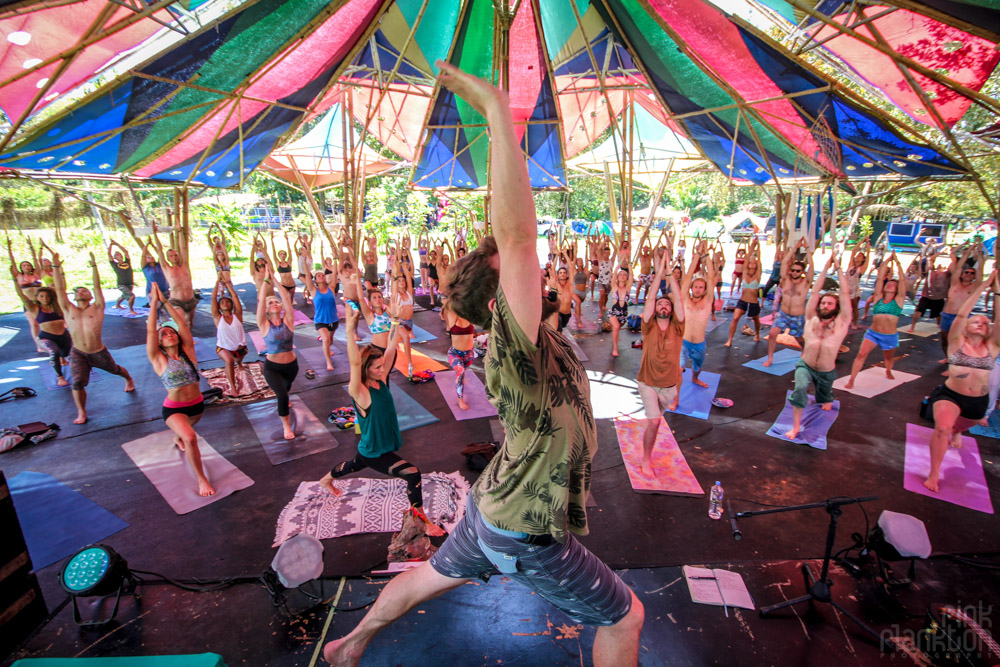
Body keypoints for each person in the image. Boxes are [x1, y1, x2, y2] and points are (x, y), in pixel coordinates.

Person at [323, 62, 643, 667]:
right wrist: (499, 112)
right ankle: (355, 640)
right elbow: (519, 237)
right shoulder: (513, 348)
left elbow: (537, 265)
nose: (537, 273)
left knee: (423, 578)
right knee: (626, 616)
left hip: (491, 504)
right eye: (521, 277)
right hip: (524, 529)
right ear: (500, 303)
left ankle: (350, 643)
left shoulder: (537, 331)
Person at [319, 305, 444, 535]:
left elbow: (391, 346)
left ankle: (326, 479)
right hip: (375, 451)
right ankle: (422, 522)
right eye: (376, 367)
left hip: (373, 445)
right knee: (413, 473)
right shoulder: (360, 392)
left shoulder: (382, 378)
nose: (382, 369)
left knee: (353, 464)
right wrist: (348, 329)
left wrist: (395, 321)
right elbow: (355, 363)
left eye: (381, 366)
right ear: (366, 369)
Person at [925, 273, 1000, 492]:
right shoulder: (957, 342)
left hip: (976, 403)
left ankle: (958, 431)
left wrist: (996, 291)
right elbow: (961, 315)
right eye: (974, 321)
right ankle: (934, 473)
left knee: (960, 426)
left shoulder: (993, 348)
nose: (979, 322)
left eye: (984, 322)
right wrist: (983, 285)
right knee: (943, 428)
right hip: (950, 395)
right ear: (966, 327)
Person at [49, 250, 135, 424]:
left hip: (98, 351)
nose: (81, 292)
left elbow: (97, 287)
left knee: (115, 370)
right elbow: (59, 289)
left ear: (90, 295)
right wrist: (56, 266)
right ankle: (81, 412)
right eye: (78, 291)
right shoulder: (68, 309)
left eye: (84, 290)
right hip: (78, 352)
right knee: (77, 382)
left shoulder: (97, 307)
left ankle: (128, 378)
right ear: (74, 296)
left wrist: (94, 266)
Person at [146, 283, 214, 497]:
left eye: (171, 332)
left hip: (197, 406)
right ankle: (202, 479)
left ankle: (178, 437)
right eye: (164, 334)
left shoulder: (189, 352)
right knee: (191, 438)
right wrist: (155, 303)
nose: (169, 334)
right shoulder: (158, 359)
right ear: (159, 342)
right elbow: (150, 330)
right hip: (174, 409)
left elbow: (181, 324)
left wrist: (166, 301)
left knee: (185, 434)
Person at [784, 257, 851, 440]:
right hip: (805, 365)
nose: (825, 305)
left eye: (829, 303)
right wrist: (825, 268)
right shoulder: (811, 319)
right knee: (800, 389)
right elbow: (814, 293)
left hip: (826, 371)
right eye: (823, 303)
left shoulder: (842, 323)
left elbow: (845, 294)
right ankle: (795, 427)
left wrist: (838, 268)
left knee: (824, 397)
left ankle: (827, 397)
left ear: (836, 308)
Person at [638, 248, 685, 467]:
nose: (663, 305)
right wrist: (661, 273)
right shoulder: (648, 327)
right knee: (655, 421)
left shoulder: (678, 327)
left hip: (669, 387)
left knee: (655, 423)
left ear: (671, 310)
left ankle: (647, 442)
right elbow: (650, 297)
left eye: (666, 304)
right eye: (659, 304)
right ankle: (646, 459)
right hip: (647, 382)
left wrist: (671, 274)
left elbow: (679, 298)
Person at [845, 252, 905, 389]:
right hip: (872, 333)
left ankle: (888, 370)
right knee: (861, 354)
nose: (889, 285)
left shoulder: (899, 300)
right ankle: (851, 380)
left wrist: (898, 263)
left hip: (889, 336)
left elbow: (902, 281)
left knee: (888, 358)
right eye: (888, 283)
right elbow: (879, 278)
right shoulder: (878, 298)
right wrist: (887, 260)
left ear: (896, 289)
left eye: (892, 284)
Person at [10, 256, 70, 383]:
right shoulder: (35, 309)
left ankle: (63, 358)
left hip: (63, 335)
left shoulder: (58, 305)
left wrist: (58, 269)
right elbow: (21, 294)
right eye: (41, 296)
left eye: (47, 296)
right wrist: (14, 279)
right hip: (46, 336)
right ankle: (60, 377)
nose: (44, 298)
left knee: (65, 352)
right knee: (54, 352)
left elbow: (61, 288)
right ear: (37, 298)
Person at [256, 265, 299, 440]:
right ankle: (286, 427)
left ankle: (285, 397)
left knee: (286, 389)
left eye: (276, 301)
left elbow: (286, 299)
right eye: (270, 302)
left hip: (291, 367)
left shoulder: (288, 320)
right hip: (272, 367)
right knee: (281, 395)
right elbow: (260, 301)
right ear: (266, 309)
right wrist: (266, 281)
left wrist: (274, 279)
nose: (274, 303)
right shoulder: (264, 324)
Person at [763, 238, 813, 367]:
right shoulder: (785, 280)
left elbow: (812, 267)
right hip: (783, 314)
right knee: (773, 333)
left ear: (802, 272)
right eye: (793, 270)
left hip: (797, 316)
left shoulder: (806, 283)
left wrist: (807, 249)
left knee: (799, 338)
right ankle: (770, 358)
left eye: (798, 270)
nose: (795, 272)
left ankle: (804, 350)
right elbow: (784, 262)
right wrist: (794, 247)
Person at [679, 242, 716, 389]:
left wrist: (705, 255)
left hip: (700, 343)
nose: (698, 289)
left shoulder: (707, 302)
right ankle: (674, 399)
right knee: (679, 368)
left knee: (697, 367)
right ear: (692, 288)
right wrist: (696, 256)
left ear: (705, 289)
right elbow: (688, 277)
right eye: (696, 286)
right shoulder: (686, 299)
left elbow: (711, 278)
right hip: (684, 341)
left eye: (701, 287)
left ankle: (695, 378)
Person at [938, 245, 983, 360]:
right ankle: (948, 358)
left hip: (960, 317)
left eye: (971, 273)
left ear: (974, 276)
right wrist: (966, 254)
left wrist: (981, 256)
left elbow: (980, 274)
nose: (968, 274)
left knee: (957, 340)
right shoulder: (954, 283)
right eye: (966, 272)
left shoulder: (974, 287)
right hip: (947, 315)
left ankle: (956, 362)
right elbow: (958, 268)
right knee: (944, 339)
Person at [210, 277, 247, 396]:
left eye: (227, 302)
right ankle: (233, 388)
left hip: (239, 347)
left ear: (231, 304)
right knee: (229, 360)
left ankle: (239, 363)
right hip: (223, 347)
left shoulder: (237, 315)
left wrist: (227, 284)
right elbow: (213, 299)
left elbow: (235, 297)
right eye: (222, 303)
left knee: (238, 359)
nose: (225, 303)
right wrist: (217, 283)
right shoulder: (218, 317)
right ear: (219, 306)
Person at [7, 238, 46, 352]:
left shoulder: (36, 274)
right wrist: (9, 247)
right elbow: (12, 261)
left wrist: (31, 247)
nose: (27, 266)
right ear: (21, 268)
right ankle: (38, 344)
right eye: (24, 265)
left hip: (41, 301)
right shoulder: (19, 276)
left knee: (43, 322)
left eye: (28, 265)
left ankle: (47, 341)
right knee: (34, 324)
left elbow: (35, 259)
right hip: (29, 303)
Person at [724, 238, 763, 346]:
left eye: (754, 262)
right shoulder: (745, 273)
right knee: (735, 318)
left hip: (753, 303)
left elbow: (759, 259)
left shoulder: (757, 275)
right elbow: (746, 259)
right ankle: (730, 340)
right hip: (743, 301)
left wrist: (758, 246)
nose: (752, 262)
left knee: (756, 320)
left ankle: (757, 334)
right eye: (750, 261)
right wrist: (751, 246)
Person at [303, 267, 340, 372]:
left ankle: (328, 349)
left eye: (322, 275)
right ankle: (328, 361)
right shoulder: (314, 290)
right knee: (326, 339)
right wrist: (305, 260)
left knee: (330, 340)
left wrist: (336, 258)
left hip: (333, 319)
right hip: (320, 320)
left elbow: (334, 273)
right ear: (315, 280)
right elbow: (307, 276)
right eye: (318, 276)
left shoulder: (331, 288)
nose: (321, 276)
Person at [443, 302, 476, 410]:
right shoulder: (453, 320)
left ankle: (460, 377)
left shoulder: (470, 318)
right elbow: (449, 305)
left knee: (462, 372)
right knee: (460, 371)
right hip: (455, 354)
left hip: (469, 355)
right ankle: (460, 400)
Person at [909, 252, 949, 331]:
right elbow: (930, 259)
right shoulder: (931, 272)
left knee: (938, 314)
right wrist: (941, 252)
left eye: (942, 266)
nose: (940, 266)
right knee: (918, 310)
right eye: (939, 265)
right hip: (926, 296)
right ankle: (912, 327)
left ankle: (939, 325)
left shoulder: (947, 274)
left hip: (938, 298)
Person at [107, 240, 138, 315]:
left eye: (120, 254)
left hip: (130, 283)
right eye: (117, 255)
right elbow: (109, 254)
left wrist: (117, 244)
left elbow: (126, 252)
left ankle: (117, 305)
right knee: (132, 296)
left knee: (124, 296)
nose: (119, 255)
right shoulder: (114, 264)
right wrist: (111, 246)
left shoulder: (127, 262)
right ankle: (131, 310)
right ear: (115, 258)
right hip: (121, 284)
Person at [608, 268, 633, 357]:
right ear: (617, 277)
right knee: (616, 326)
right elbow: (613, 276)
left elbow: (631, 277)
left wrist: (629, 265)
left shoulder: (628, 288)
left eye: (624, 275)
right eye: (620, 275)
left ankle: (616, 335)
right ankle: (615, 349)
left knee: (618, 328)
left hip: (623, 314)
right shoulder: (614, 287)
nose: (622, 276)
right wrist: (618, 265)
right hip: (614, 312)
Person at [844, 241, 869, 330]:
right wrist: (862, 241)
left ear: (863, 259)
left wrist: (868, 245)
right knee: (845, 307)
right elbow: (853, 251)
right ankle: (846, 321)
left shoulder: (862, 268)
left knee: (854, 307)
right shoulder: (851, 265)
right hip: (846, 288)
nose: (857, 256)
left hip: (854, 290)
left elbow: (868, 256)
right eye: (857, 255)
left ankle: (854, 323)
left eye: (860, 256)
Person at [272, 232, 298, 303]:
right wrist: (272, 241)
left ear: (285, 255)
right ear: (279, 255)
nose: (282, 255)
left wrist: (287, 240)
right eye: (281, 254)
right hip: (283, 284)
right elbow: (273, 253)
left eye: (284, 254)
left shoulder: (288, 262)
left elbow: (290, 252)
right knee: (286, 298)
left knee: (291, 300)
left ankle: (291, 312)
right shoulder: (278, 263)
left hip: (292, 284)